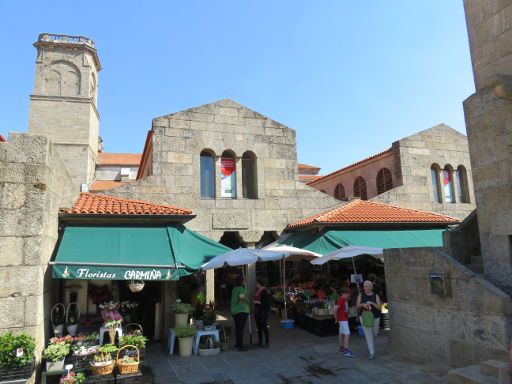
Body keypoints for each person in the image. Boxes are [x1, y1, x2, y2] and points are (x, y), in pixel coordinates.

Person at [357, 280, 381, 360]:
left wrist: (372, 303)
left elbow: (379, 307)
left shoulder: (376, 296)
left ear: (371, 287)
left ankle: (371, 348)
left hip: (375, 317)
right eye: (364, 286)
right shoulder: (361, 295)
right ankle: (372, 353)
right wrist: (363, 304)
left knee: (374, 334)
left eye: (366, 286)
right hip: (364, 317)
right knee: (368, 334)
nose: (364, 288)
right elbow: (357, 306)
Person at [231, 274, 250, 351]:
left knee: (238, 327)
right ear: (242, 281)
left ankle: (238, 343)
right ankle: (240, 345)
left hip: (234, 311)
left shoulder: (234, 289)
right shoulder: (241, 289)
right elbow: (241, 299)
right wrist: (247, 301)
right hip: (242, 310)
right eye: (244, 280)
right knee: (241, 328)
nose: (245, 281)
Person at [335, 287, 354, 357]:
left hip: (342, 318)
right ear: (344, 293)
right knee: (347, 334)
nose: (348, 295)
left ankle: (341, 348)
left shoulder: (344, 299)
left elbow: (340, 309)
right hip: (343, 319)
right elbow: (335, 308)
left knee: (341, 333)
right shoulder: (341, 299)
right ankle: (345, 350)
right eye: (348, 294)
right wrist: (336, 318)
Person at [253, 278, 271, 348]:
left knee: (264, 326)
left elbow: (266, 303)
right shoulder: (259, 291)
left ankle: (267, 342)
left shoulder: (264, 291)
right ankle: (260, 341)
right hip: (258, 311)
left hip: (263, 312)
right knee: (259, 327)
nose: (256, 284)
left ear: (260, 284)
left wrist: (257, 302)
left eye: (257, 283)